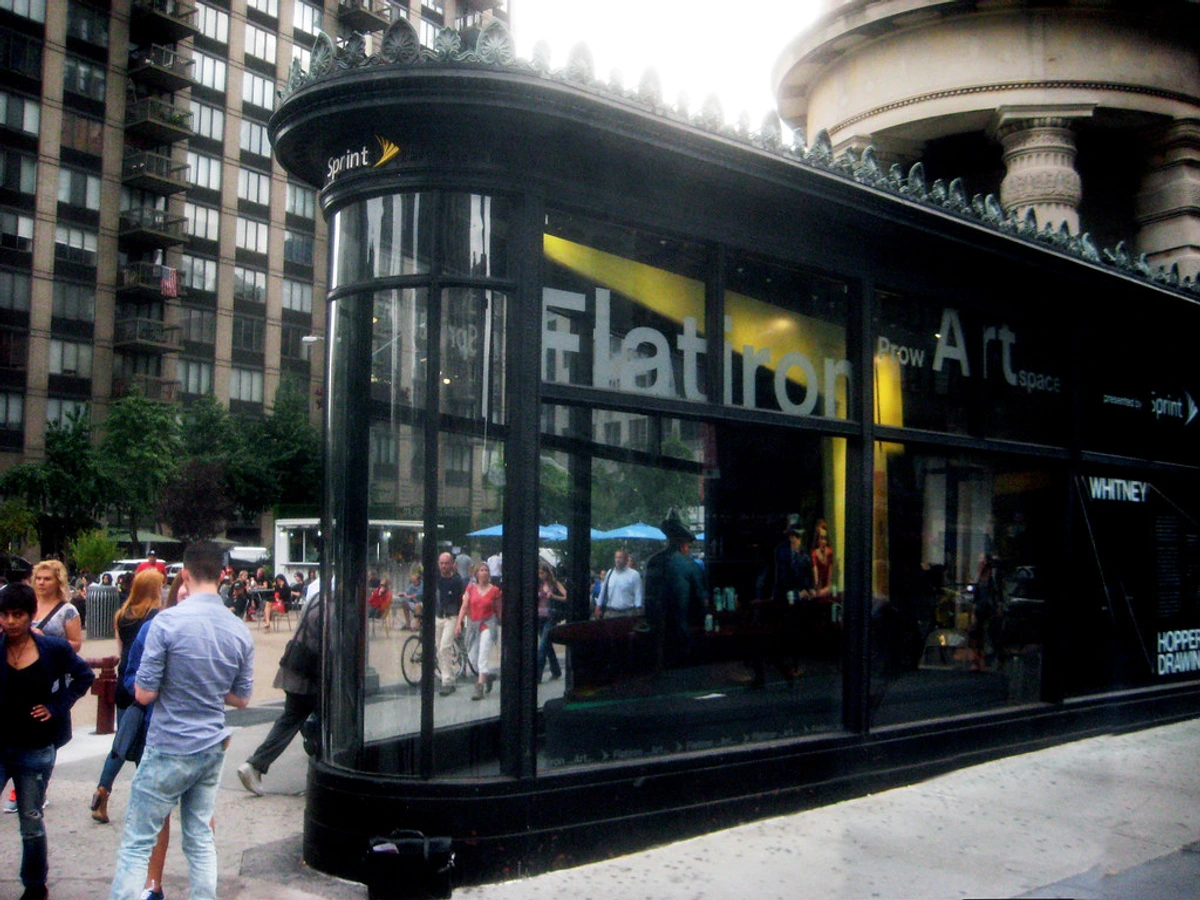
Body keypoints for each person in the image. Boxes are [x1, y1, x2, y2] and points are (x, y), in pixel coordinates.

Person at [109, 541, 255, 900]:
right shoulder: (238, 629)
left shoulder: (167, 622)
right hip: (210, 745)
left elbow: (142, 693)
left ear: (185, 575)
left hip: (168, 744)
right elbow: (241, 698)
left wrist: (176, 682)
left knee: (138, 841)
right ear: (223, 575)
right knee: (201, 837)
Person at [0, 581, 95, 900]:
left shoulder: (52, 649)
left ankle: (35, 884)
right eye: (4, 615)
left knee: (30, 818)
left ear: (29, 616)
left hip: (36, 748)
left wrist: (57, 706)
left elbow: (84, 677)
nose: (10, 621)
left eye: (17, 615)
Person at [91, 568, 164, 825]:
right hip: (145, 682)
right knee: (143, 741)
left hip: (125, 681)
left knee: (123, 739)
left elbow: (121, 650)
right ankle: (145, 799)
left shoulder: (122, 615)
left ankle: (103, 788)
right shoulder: (156, 617)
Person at [237, 590, 323, 796]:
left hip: (294, 669)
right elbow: (333, 644)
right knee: (334, 720)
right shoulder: (334, 606)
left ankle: (254, 764)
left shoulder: (317, 598)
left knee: (290, 720)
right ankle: (321, 774)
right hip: (310, 677)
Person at [643, 509, 707, 669]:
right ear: (684, 543)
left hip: (654, 638)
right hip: (681, 636)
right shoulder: (691, 566)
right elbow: (701, 604)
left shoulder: (653, 562)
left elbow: (648, 602)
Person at [456, 563, 501, 700]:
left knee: (483, 654)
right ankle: (487, 676)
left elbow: (499, 609)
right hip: (473, 624)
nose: (484, 572)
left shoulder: (495, 590)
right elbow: (464, 607)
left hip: (488, 624)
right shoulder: (470, 589)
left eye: (486, 570)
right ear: (476, 573)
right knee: (471, 656)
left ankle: (479, 686)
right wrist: (459, 623)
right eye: (481, 570)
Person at [31, 560, 82, 653]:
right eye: (38, 578)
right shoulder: (26, 605)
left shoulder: (68, 611)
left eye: (47, 579)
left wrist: (46, 640)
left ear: (58, 582)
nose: (41, 582)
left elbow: (76, 645)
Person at [434, 553, 464, 696]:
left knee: (445, 647)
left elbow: (462, 602)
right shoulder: (436, 579)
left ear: (452, 564)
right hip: (438, 616)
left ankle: (447, 681)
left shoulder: (457, 581)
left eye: (446, 563)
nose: (444, 566)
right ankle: (447, 677)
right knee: (439, 648)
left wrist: (460, 621)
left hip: (452, 616)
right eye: (441, 563)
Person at [536, 562, 566, 682]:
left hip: (550, 617)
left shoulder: (555, 584)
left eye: (542, 573)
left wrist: (553, 596)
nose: (540, 575)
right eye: (539, 573)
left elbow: (566, 596)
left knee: (542, 646)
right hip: (539, 617)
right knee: (547, 646)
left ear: (548, 573)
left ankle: (537, 676)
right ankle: (556, 670)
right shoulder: (538, 585)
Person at [594, 549, 644, 618]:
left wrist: (639, 610)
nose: (618, 560)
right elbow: (603, 591)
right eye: (616, 557)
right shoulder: (610, 573)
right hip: (610, 613)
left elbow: (638, 594)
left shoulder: (634, 575)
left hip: (627, 614)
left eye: (620, 558)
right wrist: (598, 606)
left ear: (626, 560)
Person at [812, 519, 834, 598]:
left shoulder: (829, 553)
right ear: (817, 539)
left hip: (826, 590)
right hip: (818, 590)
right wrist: (818, 592)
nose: (823, 542)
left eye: (825, 538)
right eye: (821, 538)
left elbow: (829, 580)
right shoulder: (814, 554)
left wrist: (826, 589)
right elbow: (816, 579)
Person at [399, 565, 422, 630]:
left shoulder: (422, 586)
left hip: (421, 603)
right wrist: (403, 593)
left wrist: (409, 596)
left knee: (417, 606)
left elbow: (417, 595)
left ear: (418, 580)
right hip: (413, 602)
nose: (413, 583)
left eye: (415, 581)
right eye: (413, 581)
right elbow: (407, 591)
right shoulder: (412, 585)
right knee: (404, 604)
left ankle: (416, 625)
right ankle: (407, 623)